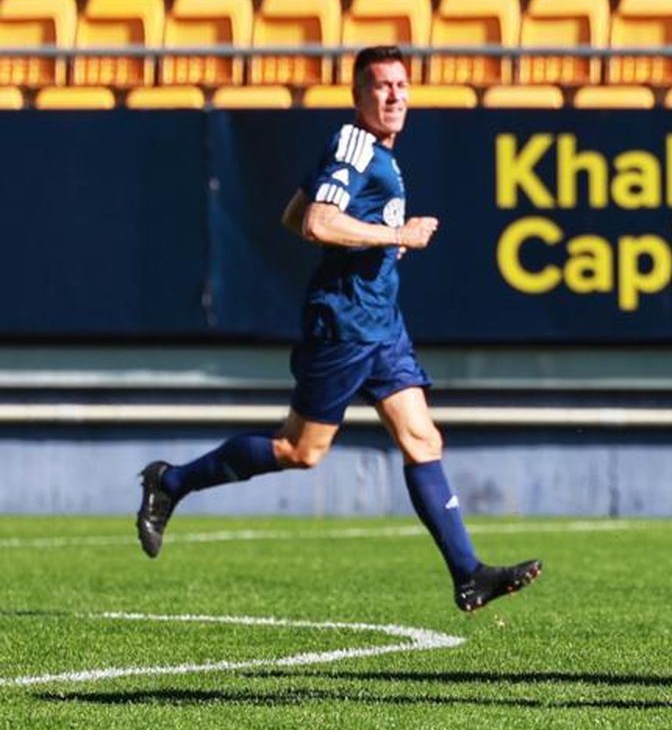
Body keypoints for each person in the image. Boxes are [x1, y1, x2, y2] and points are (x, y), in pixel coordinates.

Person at [136, 46, 540, 615]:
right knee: (300, 451)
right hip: (345, 324)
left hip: (382, 323)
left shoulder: (376, 154)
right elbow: (316, 221)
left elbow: (296, 213)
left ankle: (468, 574)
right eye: (381, 86)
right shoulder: (356, 144)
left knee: (422, 439)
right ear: (358, 96)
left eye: (402, 85)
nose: (395, 96)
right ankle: (170, 482)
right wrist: (395, 236)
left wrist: (364, 234)